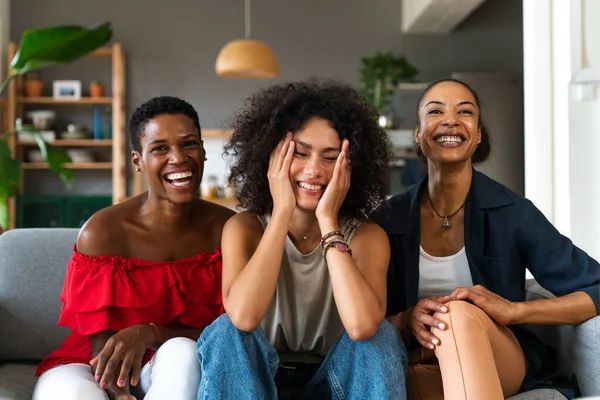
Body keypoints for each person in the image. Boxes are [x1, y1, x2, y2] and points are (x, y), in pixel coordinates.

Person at [384, 78, 600, 400]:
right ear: (418, 133)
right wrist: (405, 318)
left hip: (502, 356)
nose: (450, 120)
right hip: (420, 360)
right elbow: (360, 316)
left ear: (478, 134)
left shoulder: (513, 212)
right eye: (435, 111)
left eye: (465, 111)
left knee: (454, 314)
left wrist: (513, 311)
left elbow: (595, 288)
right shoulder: (389, 219)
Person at [196, 78, 408, 399]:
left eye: (330, 156)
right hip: (257, 379)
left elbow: (362, 328)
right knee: (226, 332)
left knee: (382, 337)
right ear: (271, 156)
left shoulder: (367, 237)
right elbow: (244, 316)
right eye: (301, 153)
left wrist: (328, 220)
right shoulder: (244, 228)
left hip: (335, 379)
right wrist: (282, 210)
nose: (313, 170)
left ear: (351, 165)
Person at [32, 96, 235, 400]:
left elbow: (235, 332)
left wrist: (151, 331)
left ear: (204, 152)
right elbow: (100, 345)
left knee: (183, 352)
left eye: (188, 143)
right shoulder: (102, 231)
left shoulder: (228, 229)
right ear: (138, 160)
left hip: (174, 365)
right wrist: (117, 389)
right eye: (160, 148)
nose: (178, 158)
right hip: (92, 364)